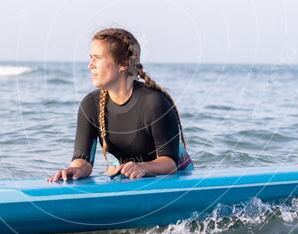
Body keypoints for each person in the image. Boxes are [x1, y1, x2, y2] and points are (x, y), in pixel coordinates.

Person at [48, 27, 193, 182]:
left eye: (97, 58)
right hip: (128, 172)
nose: (90, 65)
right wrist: (76, 169)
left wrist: (143, 167)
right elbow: (83, 160)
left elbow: (169, 163)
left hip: (177, 175)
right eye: (91, 58)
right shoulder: (90, 105)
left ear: (123, 64)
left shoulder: (154, 103)